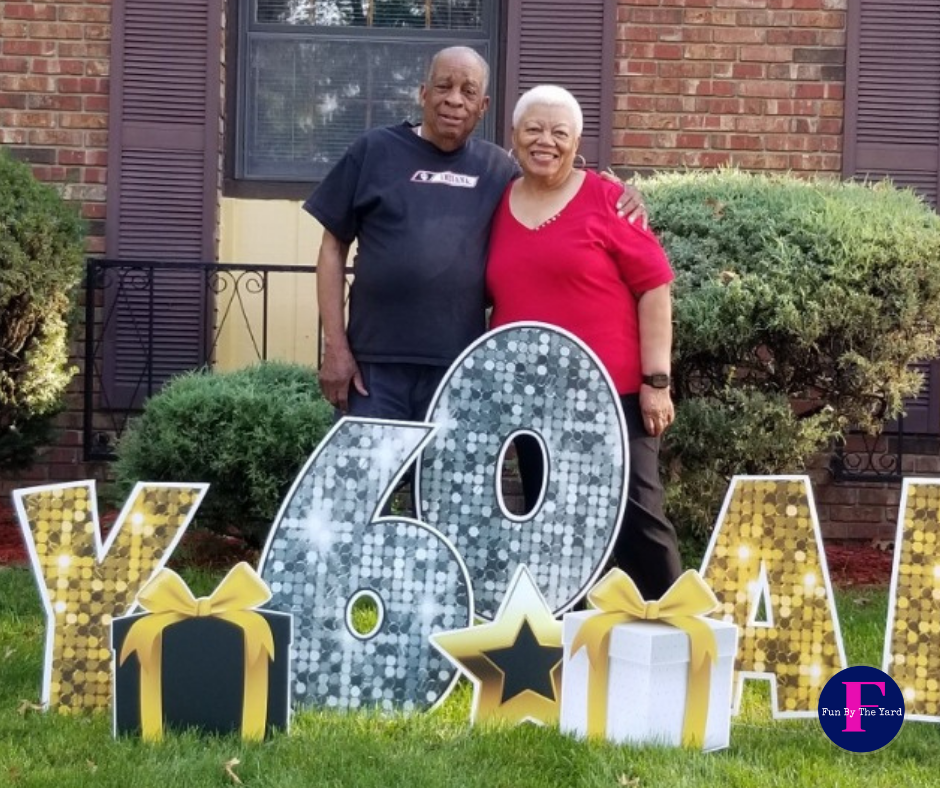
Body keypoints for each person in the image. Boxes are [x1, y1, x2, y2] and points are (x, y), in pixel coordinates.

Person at [304, 46, 644, 421]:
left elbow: (552, 188)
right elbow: (332, 247)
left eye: (468, 92)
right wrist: (336, 347)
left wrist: (614, 191)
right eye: (443, 86)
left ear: (482, 107)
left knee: (444, 482)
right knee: (363, 479)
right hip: (373, 368)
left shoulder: (498, 168)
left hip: (461, 369)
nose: (454, 100)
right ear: (423, 93)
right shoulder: (373, 151)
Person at [485, 85, 681, 600]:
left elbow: (655, 286)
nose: (544, 141)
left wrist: (655, 382)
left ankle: (680, 635)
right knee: (550, 527)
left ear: (577, 143)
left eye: (559, 132)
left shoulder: (608, 198)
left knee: (637, 519)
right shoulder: (496, 201)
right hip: (531, 402)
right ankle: (569, 648)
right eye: (533, 129)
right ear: (513, 136)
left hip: (613, 396)